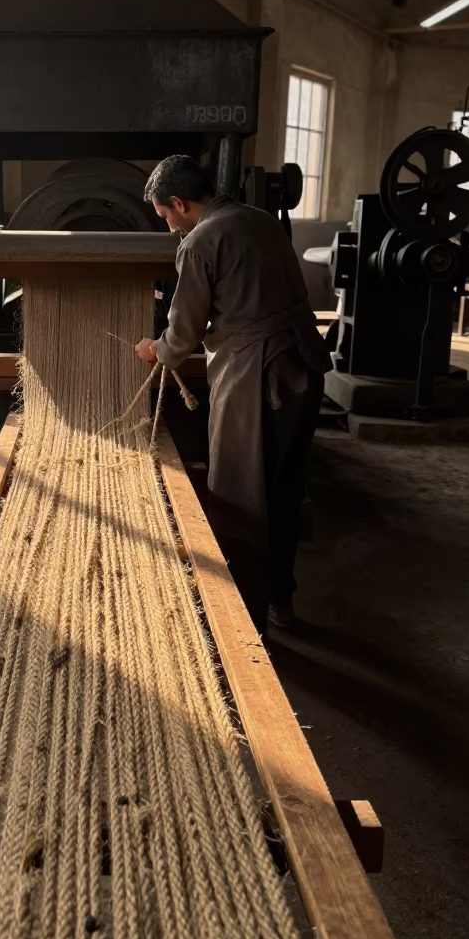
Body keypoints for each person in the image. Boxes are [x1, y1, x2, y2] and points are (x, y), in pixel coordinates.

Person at [135, 155, 331, 634]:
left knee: (240, 496)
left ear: (179, 203)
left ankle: (243, 622)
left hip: (258, 380)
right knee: (284, 490)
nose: (168, 227)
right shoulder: (260, 220)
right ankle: (280, 603)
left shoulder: (200, 241)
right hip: (303, 367)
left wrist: (153, 348)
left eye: (165, 216)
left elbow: (182, 335)